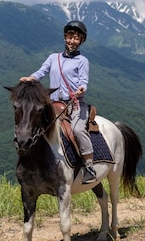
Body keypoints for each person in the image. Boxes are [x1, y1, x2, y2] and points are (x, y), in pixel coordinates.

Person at [19, 20, 97, 184]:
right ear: (64, 37)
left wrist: (81, 89)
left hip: (74, 103)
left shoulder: (82, 61)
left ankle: (89, 166)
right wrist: (30, 78)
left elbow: (84, 81)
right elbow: (41, 72)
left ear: (81, 40)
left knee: (77, 130)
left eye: (76, 38)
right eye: (69, 37)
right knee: (32, 125)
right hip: (53, 103)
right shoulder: (53, 58)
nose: (72, 41)